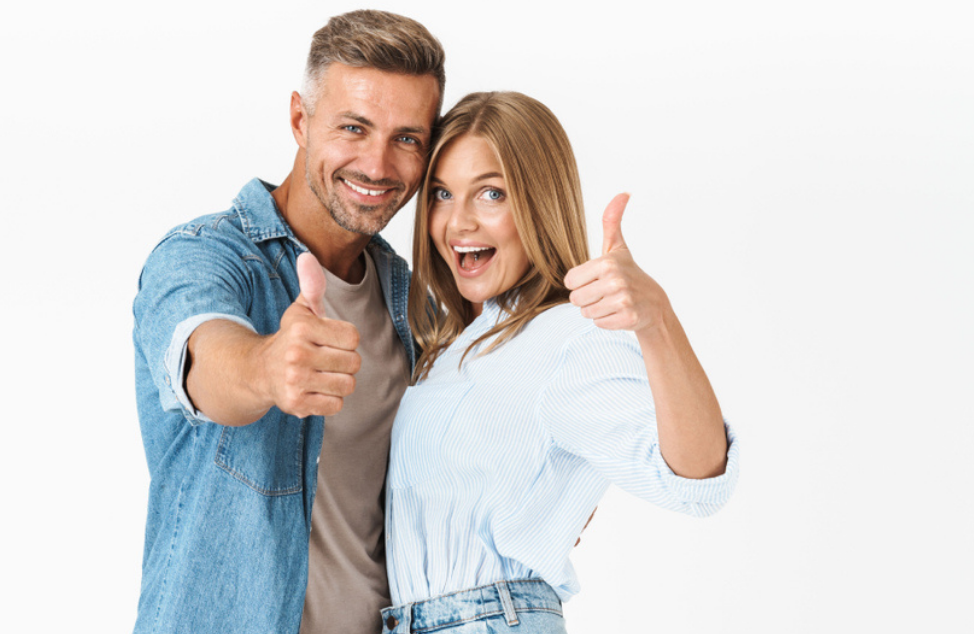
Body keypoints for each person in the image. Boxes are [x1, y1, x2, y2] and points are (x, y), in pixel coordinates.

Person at [130, 11, 444, 634]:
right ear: (300, 119)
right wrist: (268, 368)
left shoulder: (418, 305)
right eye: (353, 127)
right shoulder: (203, 255)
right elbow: (202, 357)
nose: (378, 165)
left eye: (407, 138)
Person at [380, 92, 740, 633]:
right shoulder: (455, 346)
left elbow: (695, 482)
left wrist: (656, 321)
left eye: (491, 193)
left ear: (539, 202)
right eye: (441, 194)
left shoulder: (571, 334)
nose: (458, 222)